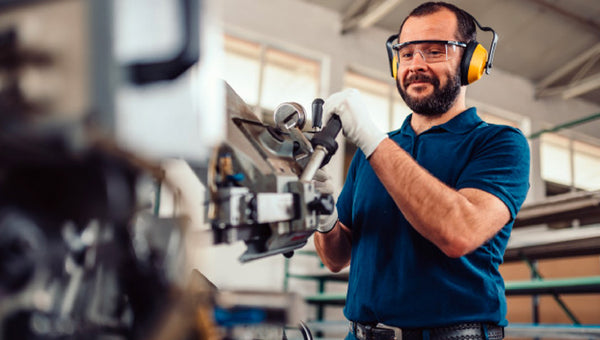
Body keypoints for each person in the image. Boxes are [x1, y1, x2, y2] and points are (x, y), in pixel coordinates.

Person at [312, 2, 530, 340]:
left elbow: (459, 232)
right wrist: (323, 216)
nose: (416, 65)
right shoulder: (373, 153)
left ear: (472, 60)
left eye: (434, 51)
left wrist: (370, 139)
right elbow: (336, 258)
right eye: (407, 53)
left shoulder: (500, 143)